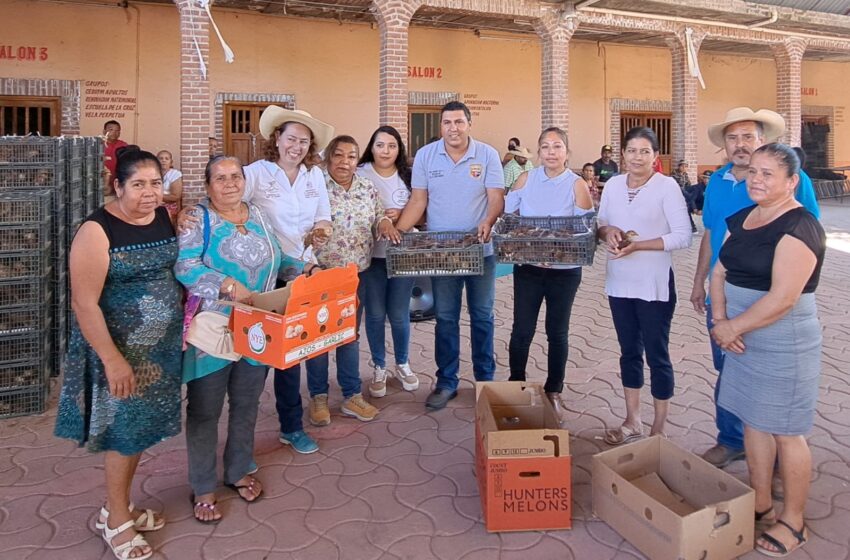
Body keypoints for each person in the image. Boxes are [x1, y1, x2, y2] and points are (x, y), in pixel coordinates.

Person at [179, 106, 334, 454]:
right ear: (277, 139)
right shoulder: (258, 174)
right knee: (281, 354)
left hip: (300, 267)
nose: (296, 146)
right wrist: (188, 215)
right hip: (263, 278)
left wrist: (322, 231)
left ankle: (305, 411)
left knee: (306, 343)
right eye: (291, 138)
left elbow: (324, 216)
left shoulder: (313, 176)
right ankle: (290, 424)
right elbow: (223, 199)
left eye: (303, 141)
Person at [54, 150, 182, 560]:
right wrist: (112, 359)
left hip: (157, 352)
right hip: (119, 351)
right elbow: (84, 304)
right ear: (119, 186)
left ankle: (118, 507)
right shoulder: (98, 229)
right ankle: (116, 524)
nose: (149, 193)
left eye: (156, 184)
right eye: (139, 185)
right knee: (123, 435)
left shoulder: (163, 216)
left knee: (139, 432)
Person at [710, 144, 825, 557]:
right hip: (740, 335)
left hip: (782, 340)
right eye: (753, 172)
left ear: (792, 182)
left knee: (786, 431)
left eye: (768, 174)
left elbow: (783, 298)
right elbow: (720, 269)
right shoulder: (745, 217)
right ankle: (761, 502)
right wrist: (720, 316)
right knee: (753, 420)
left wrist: (730, 328)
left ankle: (794, 520)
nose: (756, 180)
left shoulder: (800, 226)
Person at [690, 107, 821, 469]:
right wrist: (700, 281)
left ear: (762, 141)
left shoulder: (794, 179)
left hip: (771, 296)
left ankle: (780, 458)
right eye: (733, 138)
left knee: (774, 380)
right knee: (730, 371)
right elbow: (712, 233)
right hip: (724, 292)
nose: (741, 144)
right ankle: (732, 440)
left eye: (748, 136)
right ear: (725, 146)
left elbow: (807, 230)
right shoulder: (717, 181)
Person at [175, 156, 280, 523]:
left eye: (235, 176)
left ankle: (237, 470)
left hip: (257, 326)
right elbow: (185, 265)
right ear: (207, 186)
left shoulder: (260, 216)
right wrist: (225, 283)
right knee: (205, 409)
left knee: (247, 401)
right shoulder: (197, 220)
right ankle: (203, 484)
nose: (230, 183)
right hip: (214, 328)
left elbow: (279, 257)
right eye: (220, 178)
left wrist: (304, 269)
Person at [395, 100, 505, 410]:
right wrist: (398, 232)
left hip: (479, 250)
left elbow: (495, 198)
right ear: (440, 126)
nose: (453, 128)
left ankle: (485, 380)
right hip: (442, 253)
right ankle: (447, 382)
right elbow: (419, 201)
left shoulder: (487, 155)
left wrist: (488, 221)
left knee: (482, 316)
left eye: (458, 122)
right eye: (447, 123)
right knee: (445, 318)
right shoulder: (427, 156)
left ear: (469, 124)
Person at [597, 127, 692, 444]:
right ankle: (632, 419)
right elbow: (600, 224)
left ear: (655, 156)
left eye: (644, 151)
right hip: (620, 284)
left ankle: (659, 427)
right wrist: (607, 231)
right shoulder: (612, 184)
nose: (637, 157)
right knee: (628, 353)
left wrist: (639, 246)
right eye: (631, 150)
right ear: (622, 154)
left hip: (654, 286)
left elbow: (682, 236)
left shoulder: (667, 187)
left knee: (657, 354)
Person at [304, 135, 397, 424]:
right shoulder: (314, 185)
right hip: (319, 275)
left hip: (356, 275)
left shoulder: (366, 186)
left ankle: (351, 395)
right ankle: (318, 397)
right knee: (318, 338)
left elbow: (379, 214)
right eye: (339, 155)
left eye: (351, 156)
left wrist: (383, 222)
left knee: (348, 336)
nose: (345, 162)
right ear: (329, 156)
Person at [505, 127, 594, 419]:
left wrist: (555, 253)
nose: (551, 152)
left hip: (564, 272)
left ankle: (553, 389)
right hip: (529, 269)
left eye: (557, 146)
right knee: (522, 330)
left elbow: (585, 231)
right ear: (539, 152)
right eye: (545, 147)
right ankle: (515, 384)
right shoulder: (525, 179)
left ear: (567, 152)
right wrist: (529, 248)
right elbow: (507, 219)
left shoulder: (576, 184)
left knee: (557, 332)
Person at [357, 126, 420, 398]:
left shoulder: (408, 175)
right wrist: (380, 218)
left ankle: (403, 363)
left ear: (399, 150)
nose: (386, 151)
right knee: (374, 313)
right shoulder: (360, 174)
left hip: (402, 256)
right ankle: (379, 367)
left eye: (392, 146)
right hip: (371, 258)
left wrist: (403, 214)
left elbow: (422, 206)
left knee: (399, 313)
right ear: (372, 147)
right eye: (380, 145)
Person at [103, 120, 128, 198]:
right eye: (111, 130)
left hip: (119, 185)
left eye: (117, 130)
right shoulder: (97, 145)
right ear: (104, 131)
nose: (114, 132)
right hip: (102, 185)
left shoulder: (124, 146)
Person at [157, 150, 183, 221]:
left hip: (169, 206)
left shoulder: (175, 174)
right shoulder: (153, 173)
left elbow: (175, 197)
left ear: (171, 162)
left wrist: (156, 196)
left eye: (166, 159)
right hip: (154, 204)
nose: (163, 161)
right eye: (161, 158)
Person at [672, 160, 698, 233]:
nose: (684, 168)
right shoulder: (674, 174)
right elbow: (675, 186)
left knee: (695, 188)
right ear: (679, 166)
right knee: (684, 192)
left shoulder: (685, 174)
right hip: (676, 193)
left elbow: (688, 184)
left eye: (685, 166)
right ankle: (693, 204)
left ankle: (692, 201)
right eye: (682, 166)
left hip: (685, 194)